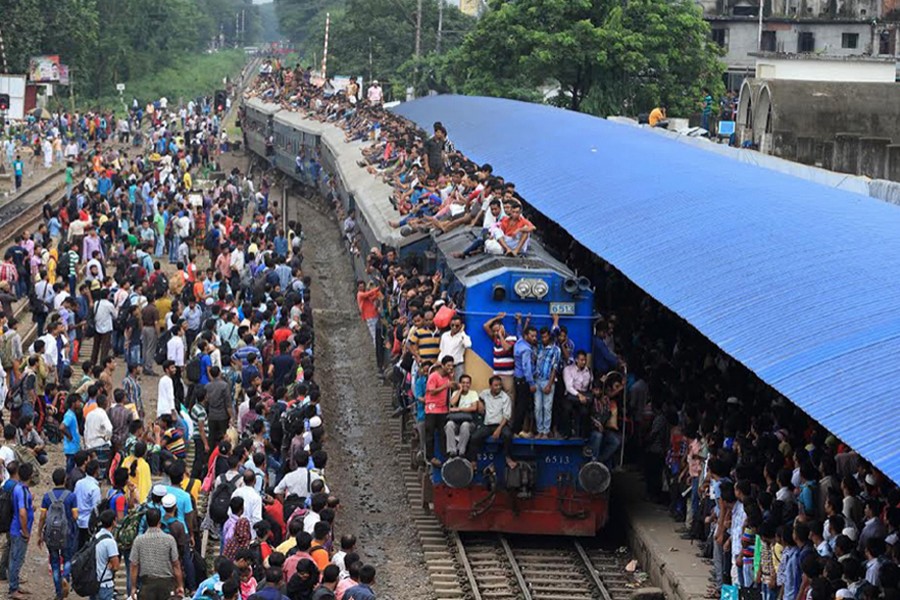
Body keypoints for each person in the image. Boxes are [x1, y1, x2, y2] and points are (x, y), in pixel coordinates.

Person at [38, 467, 78, 600]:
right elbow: (75, 515)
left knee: (55, 562)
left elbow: (43, 516)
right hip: (67, 533)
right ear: (65, 480)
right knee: (67, 558)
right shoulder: (71, 496)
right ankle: (66, 577)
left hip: (51, 535)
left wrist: (39, 533)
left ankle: (58, 592)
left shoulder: (47, 497)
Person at [129, 508, 184, 600]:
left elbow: (134, 565)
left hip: (147, 584)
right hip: (167, 585)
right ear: (160, 521)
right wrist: (180, 585)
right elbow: (176, 564)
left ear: (146, 521)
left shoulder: (139, 540)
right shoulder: (169, 539)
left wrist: (133, 587)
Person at [467, 376, 516, 469]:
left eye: (499, 385)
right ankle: (473, 461)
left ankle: (508, 458)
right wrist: (480, 402)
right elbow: (477, 397)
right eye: (495, 385)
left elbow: (506, 416)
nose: (498, 387)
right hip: (488, 425)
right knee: (474, 437)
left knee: (508, 435)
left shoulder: (505, 398)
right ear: (490, 386)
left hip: (501, 424)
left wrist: (498, 429)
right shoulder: (485, 393)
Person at [424, 356, 456, 468]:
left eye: (452, 366)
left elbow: (453, 388)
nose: (450, 368)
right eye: (448, 366)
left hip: (443, 409)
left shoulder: (448, 377)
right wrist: (444, 386)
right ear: (442, 365)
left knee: (443, 434)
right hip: (432, 409)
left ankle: (444, 456)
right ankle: (430, 456)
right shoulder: (433, 376)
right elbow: (431, 391)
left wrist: (452, 379)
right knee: (430, 433)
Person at [8, 463, 34, 599]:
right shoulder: (22, 490)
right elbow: (22, 512)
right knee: (17, 559)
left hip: (16, 528)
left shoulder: (18, 488)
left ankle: (15, 584)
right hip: (19, 530)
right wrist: (25, 531)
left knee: (16, 558)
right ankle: (13, 588)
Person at [444, 374, 479, 458]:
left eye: (467, 383)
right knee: (449, 425)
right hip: (456, 421)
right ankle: (452, 451)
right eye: (463, 383)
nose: (465, 385)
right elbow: (452, 403)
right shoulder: (456, 393)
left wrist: (459, 409)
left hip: (469, 421)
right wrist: (460, 390)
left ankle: (461, 450)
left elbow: (474, 407)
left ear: (470, 384)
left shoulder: (473, 393)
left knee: (465, 425)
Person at [92, 509, 119, 600]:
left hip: (93, 583)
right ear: (113, 522)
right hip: (105, 584)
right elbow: (116, 566)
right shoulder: (110, 542)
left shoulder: (95, 537)